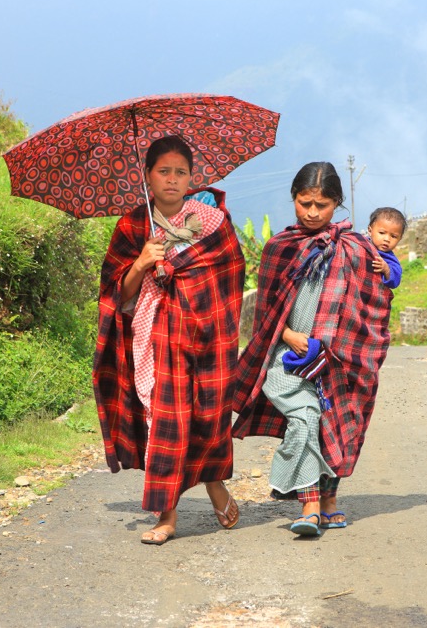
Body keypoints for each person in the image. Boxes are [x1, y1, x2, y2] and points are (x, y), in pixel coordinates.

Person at [93, 134, 246, 545]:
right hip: (156, 334)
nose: (172, 179)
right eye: (164, 171)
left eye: (181, 172)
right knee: (166, 417)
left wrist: (183, 273)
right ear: (147, 176)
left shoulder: (211, 222)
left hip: (207, 334)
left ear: (191, 177)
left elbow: (231, 273)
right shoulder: (132, 226)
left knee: (208, 415)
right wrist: (142, 263)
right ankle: (167, 514)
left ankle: (214, 482)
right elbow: (116, 294)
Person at [232, 162, 392, 536]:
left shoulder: (357, 249)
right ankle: (310, 506)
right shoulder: (280, 248)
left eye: (322, 204)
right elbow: (266, 313)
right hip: (287, 357)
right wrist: (288, 334)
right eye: (305, 203)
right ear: (294, 199)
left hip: (340, 360)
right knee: (304, 417)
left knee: (335, 424)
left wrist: (346, 344)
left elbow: (374, 303)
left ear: (337, 203)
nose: (313, 212)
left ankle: (329, 499)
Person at [367, 206, 406, 290]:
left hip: (373, 292)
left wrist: (386, 269)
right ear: (370, 231)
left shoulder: (390, 258)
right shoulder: (361, 244)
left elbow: (395, 281)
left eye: (393, 236)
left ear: (400, 239)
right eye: (382, 233)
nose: (387, 239)